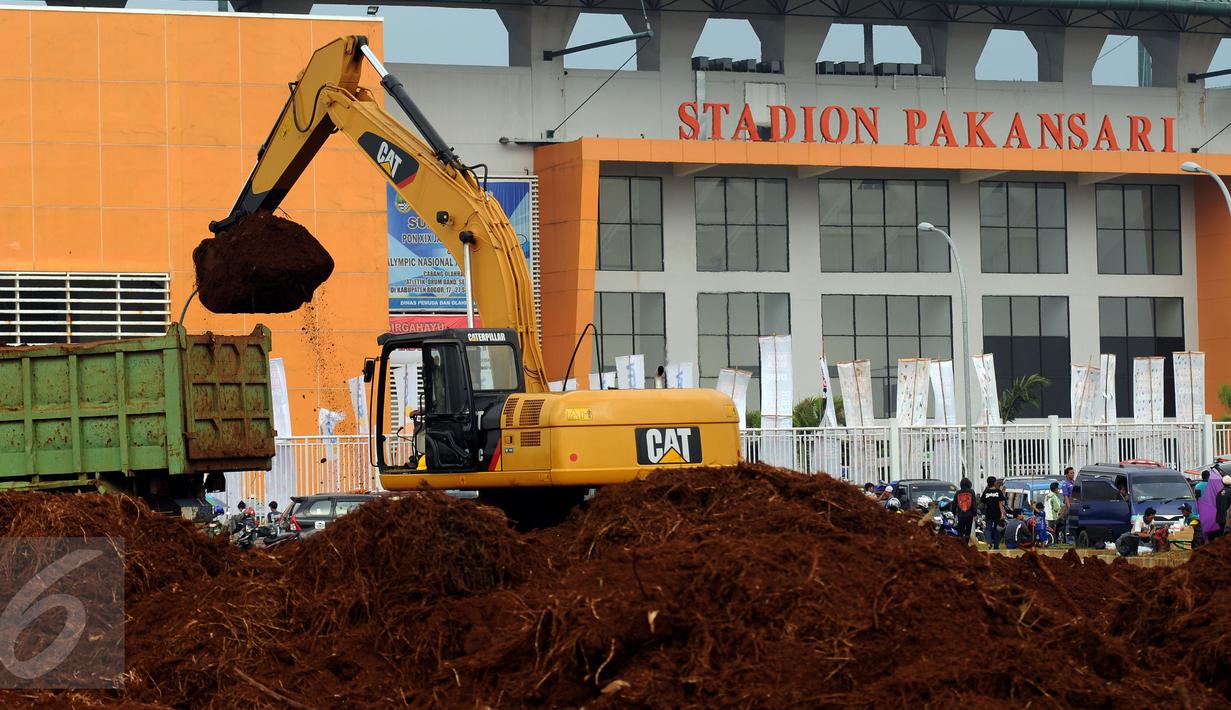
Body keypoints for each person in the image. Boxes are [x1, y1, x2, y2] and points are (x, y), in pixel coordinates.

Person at [981, 476, 1006, 550]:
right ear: (994, 483)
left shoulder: (986, 492)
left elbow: (983, 502)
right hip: (997, 514)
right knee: (996, 529)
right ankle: (996, 546)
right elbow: (1000, 503)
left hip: (989, 514)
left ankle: (989, 543)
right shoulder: (998, 492)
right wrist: (1002, 513)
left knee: (988, 529)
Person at [1059, 467, 1075, 542]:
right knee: (1069, 523)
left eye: (1073, 473)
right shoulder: (1065, 484)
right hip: (1069, 506)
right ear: (1067, 474)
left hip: (1075, 506)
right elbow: (1066, 496)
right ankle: (1069, 541)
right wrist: (1069, 507)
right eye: (1071, 473)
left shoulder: (1074, 482)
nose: (1072, 474)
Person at [1215, 475, 1231, 542]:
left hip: (1220, 518)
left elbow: (1217, 506)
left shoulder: (1219, 493)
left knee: (1222, 536)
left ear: (1222, 482)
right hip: (1228, 519)